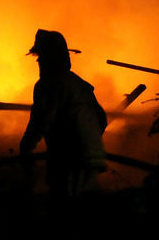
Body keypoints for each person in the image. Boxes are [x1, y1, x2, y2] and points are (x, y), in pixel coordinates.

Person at [20, 29, 108, 200]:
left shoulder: (48, 85)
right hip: (92, 159)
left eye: (41, 56)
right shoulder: (80, 84)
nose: (38, 60)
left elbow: (42, 119)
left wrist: (26, 146)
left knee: (64, 208)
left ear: (50, 57)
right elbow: (101, 119)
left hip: (68, 162)